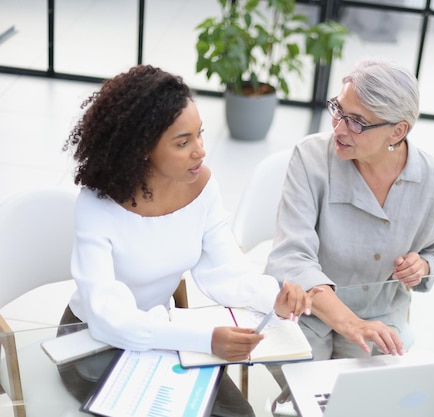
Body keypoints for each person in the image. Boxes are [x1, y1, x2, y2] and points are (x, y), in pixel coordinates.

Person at [60, 64, 313, 417]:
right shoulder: (98, 202)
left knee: (240, 415)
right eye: (183, 142)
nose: (201, 151)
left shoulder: (201, 184)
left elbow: (224, 270)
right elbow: (108, 317)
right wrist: (205, 340)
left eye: (199, 135)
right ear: (143, 147)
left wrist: (275, 299)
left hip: (163, 335)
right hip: (92, 342)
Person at [265, 58, 434, 409]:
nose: (339, 128)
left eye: (357, 122)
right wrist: (350, 323)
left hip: (381, 318)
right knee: (310, 399)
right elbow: (291, 257)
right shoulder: (310, 158)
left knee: (367, 404)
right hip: (307, 314)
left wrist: (422, 267)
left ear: (397, 132)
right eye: (338, 110)